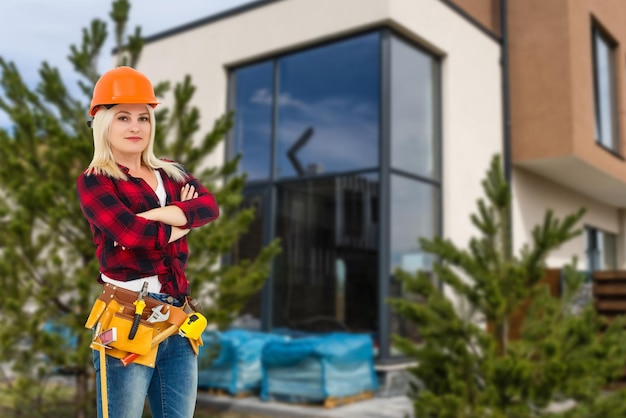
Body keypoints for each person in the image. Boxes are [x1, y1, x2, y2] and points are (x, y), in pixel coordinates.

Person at [76, 66, 219, 418]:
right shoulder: (96, 181)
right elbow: (130, 235)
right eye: (123, 117)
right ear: (103, 123)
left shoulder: (171, 172)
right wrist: (180, 216)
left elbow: (209, 207)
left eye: (143, 117)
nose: (136, 126)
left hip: (178, 316)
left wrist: (153, 215)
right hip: (126, 318)